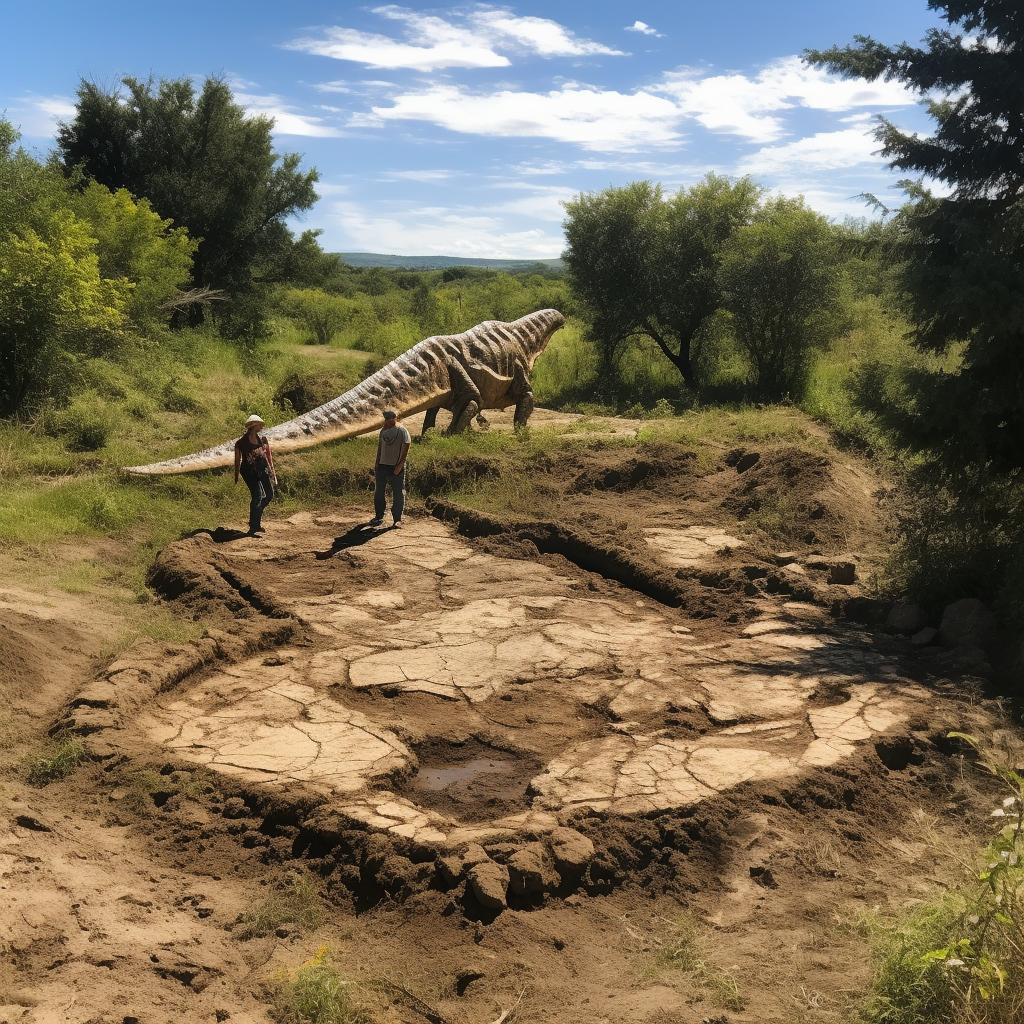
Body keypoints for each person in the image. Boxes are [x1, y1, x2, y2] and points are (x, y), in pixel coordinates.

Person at [234, 414, 276, 535]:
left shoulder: (262, 439)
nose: (261, 427)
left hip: (262, 469)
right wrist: (236, 475)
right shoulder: (241, 443)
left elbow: (267, 455)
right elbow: (237, 461)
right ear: (254, 426)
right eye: (259, 425)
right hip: (249, 472)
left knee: (269, 495)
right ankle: (254, 525)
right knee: (257, 496)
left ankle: (256, 515)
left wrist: (271, 469)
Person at [371, 409, 410, 528]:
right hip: (382, 465)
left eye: (388, 420)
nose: (385, 422)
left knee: (398, 492)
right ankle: (379, 516)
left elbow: (406, 445)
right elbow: (380, 447)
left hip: (395, 466)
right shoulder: (383, 431)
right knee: (379, 492)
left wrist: (400, 465)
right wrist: (377, 463)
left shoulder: (402, 430)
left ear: (394, 420)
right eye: (385, 419)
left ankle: (397, 519)